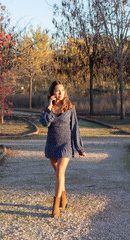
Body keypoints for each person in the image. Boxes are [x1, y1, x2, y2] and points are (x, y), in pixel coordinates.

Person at [40, 80, 86, 218]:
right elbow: (45, 123)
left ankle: (55, 206)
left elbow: (75, 128)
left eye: (62, 90)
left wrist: (79, 148)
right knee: (59, 175)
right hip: (52, 144)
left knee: (60, 171)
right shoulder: (47, 108)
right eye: (57, 90)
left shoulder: (70, 108)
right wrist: (49, 106)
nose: (59, 93)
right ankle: (64, 198)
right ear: (52, 93)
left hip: (65, 145)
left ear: (65, 92)